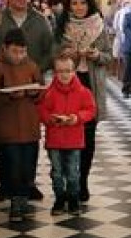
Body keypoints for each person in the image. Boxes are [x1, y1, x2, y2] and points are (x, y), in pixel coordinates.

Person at [54, 0, 111, 202]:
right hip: (68, 83)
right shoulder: (62, 26)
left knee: (88, 137)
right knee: (67, 134)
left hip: (91, 84)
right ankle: (67, 182)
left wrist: (95, 54)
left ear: (89, 4)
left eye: (82, 3)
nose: (78, 7)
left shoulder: (99, 26)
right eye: (74, 3)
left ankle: (82, 182)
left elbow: (108, 56)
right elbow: (54, 53)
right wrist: (66, 54)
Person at [0, 28, 43, 222]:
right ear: (5, 49)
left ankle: (24, 196)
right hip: (7, 125)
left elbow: (41, 87)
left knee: (28, 163)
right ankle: (16, 201)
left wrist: (34, 92)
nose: (19, 56)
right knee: (12, 164)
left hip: (28, 124)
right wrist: (9, 95)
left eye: (23, 52)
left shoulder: (32, 66)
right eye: (15, 52)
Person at [37, 51, 97, 216]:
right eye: (60, 71)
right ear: (55, 72)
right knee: (56, 172)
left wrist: (76, 118)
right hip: (54, 140)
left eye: (68, 71)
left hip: (74, 140)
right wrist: (50, 119)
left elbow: (91, 110)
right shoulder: (50, 92)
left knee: (72, 172)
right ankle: (59, 199)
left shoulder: (83, 91)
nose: (64, 75)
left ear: (74, 71)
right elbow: (42, 110)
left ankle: (73, 199)